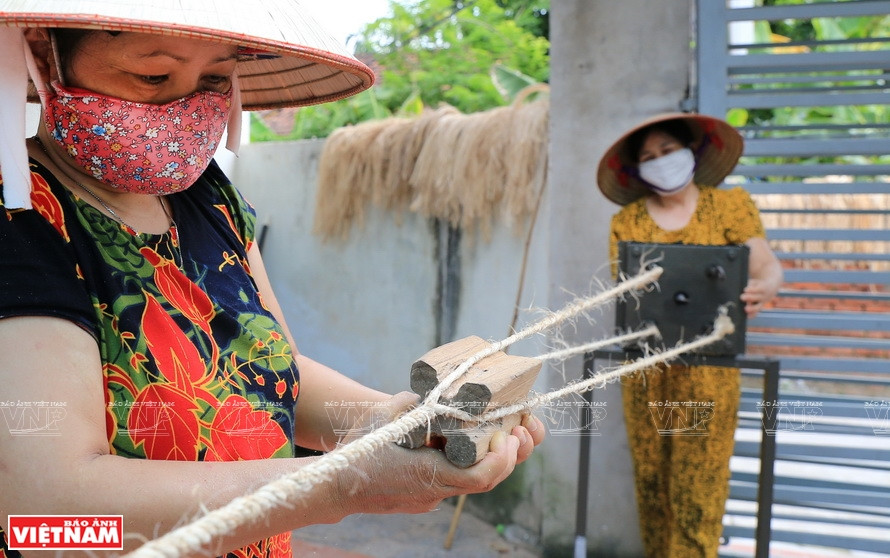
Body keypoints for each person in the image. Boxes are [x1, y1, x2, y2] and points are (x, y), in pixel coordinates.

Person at [0, 2, 545, 557]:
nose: (184, 107)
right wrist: (341, 484)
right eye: (154, 75)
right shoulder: (18, 219)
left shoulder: (207, 197)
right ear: (45, 54)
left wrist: (392, 421)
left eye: (214, 79)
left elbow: (275, 369)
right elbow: (44, 518)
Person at [596, 113, 783, 558]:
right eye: (649, 157)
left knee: (699, 488)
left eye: (667, 150)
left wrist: (768, 285)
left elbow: (766, 266)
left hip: (709, 375)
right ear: (638, 170)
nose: (661, 161)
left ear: (691, 152)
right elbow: (628, 292)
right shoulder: (628, 221)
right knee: (653, 482)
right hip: (647, 373)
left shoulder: (729, 207)